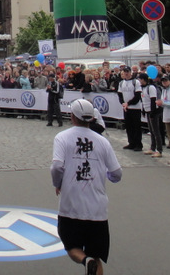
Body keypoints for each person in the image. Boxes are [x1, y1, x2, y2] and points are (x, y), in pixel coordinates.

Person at [51, 98, 122, 275]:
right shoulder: (102, 141)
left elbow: (57, 166)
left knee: (72, 246)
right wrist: (106, 175)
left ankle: (85, 260)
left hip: (71, 205)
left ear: (72, 116)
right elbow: (117, 173)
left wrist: (57, 183)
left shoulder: (62, 137)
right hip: (97, 208)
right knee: (96, 254)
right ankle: (91, 260)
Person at [118, 67, 143, 151]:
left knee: (136, 127)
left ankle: (138, 144)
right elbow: (120, 95)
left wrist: (128, 103)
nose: (126, 73)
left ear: (130, 72)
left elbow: (137, 96)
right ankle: (131, 142)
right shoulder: (121, 83)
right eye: (124, 72)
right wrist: (123, 104)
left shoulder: (135, 82)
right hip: (126, 108)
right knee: (129, 126)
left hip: (135, 108)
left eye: (127, 72)